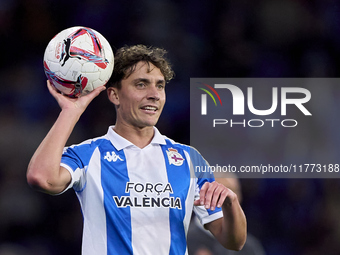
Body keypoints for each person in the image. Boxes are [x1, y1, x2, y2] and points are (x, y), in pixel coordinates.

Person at [27, 44, 247, 255]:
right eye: (141, 84)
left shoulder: (189, 159)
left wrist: (231, 203)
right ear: (114, 95)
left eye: (159, 85)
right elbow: (41, 178)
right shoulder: (89, 154)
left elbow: (234, 241)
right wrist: (71, 111)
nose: (154, 94)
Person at [188, 176, 265, 255]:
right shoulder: (182, 239)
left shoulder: (250, 247)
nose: (225, 199)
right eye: (217, 193)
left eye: (233, 192)